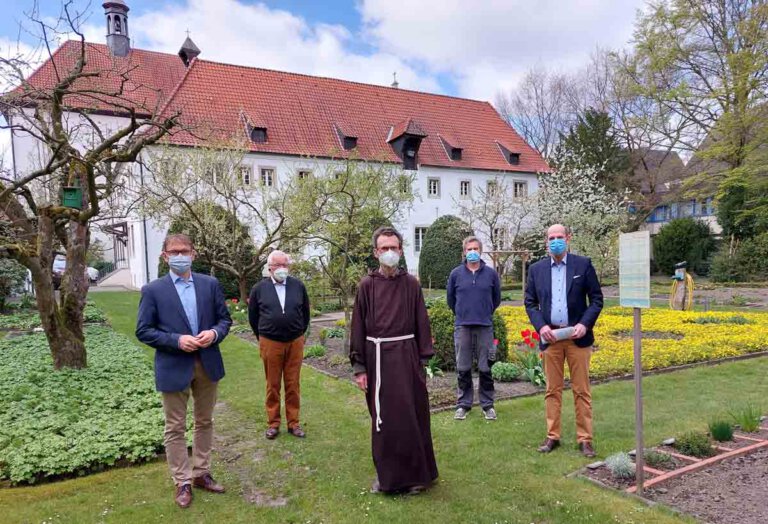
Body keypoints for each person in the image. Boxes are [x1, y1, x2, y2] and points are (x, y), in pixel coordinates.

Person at [136, 233, 232, 509]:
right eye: (174, 251)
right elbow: (143, 330)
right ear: (165, 256)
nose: (180, 255)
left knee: (205, 421)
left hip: (207, 362)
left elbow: (224, 320)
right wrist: (176, 340)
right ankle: (182, 481)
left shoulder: (209, 284)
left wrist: (213, 333)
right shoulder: (153, 290)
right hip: (173, 365)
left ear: (193, 253)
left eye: (185, 250)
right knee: (175, 427)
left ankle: (201, 472)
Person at [350, 226, 438, 495]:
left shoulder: (411, 284)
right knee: (384, 419)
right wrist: (359, 367)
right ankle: (389, 479)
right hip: (378, 360)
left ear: (400, 250)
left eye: (394, 247)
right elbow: (358, 328)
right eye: (384, 248)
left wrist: (422, 361)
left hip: (407, 360)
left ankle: (416, 477)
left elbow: (421, 321)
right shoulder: (367, 286)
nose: (389, 252)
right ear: (376, 252)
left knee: (412, 417)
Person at [524, 224, 603, 458]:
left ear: (568, 238)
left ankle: (585, 439)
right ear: (546, 241)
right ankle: (552, 436)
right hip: (551, 338)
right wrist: (541, 326)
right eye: (551, 238)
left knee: (581, 390)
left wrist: (584, 323)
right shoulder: (536, 269)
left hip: (577, 338)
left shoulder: (583, 265)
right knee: (552, 390)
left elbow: (596, 299)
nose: (555, 241)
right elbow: (530, 302)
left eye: (560, 237)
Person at [248, 250, 311, 440]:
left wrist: (300, 332)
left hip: (294, 341)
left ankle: (294, 423)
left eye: (285, 265)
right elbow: (253, 317)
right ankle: (273, 423)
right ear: (269, 267)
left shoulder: (298, 286)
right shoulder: (259, 289)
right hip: (270, 342)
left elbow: (306, 313)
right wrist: (263, 337)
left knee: (293, 384)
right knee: (273, 384)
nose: (282, 269)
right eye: (278, 265)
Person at [447, 236, 501, 421]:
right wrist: (463, 313)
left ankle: (487, 405)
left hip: (485, 326)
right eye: (469, 249)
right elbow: (450, 300)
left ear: (480, 250)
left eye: (475, 248)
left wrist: (484, 312)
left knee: (486, 367)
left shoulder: (491, 274)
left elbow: (496, 299)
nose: (472, 252)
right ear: (464, 252)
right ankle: (464, 404)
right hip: (462, 326)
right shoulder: (455, 274)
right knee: (463, 367)